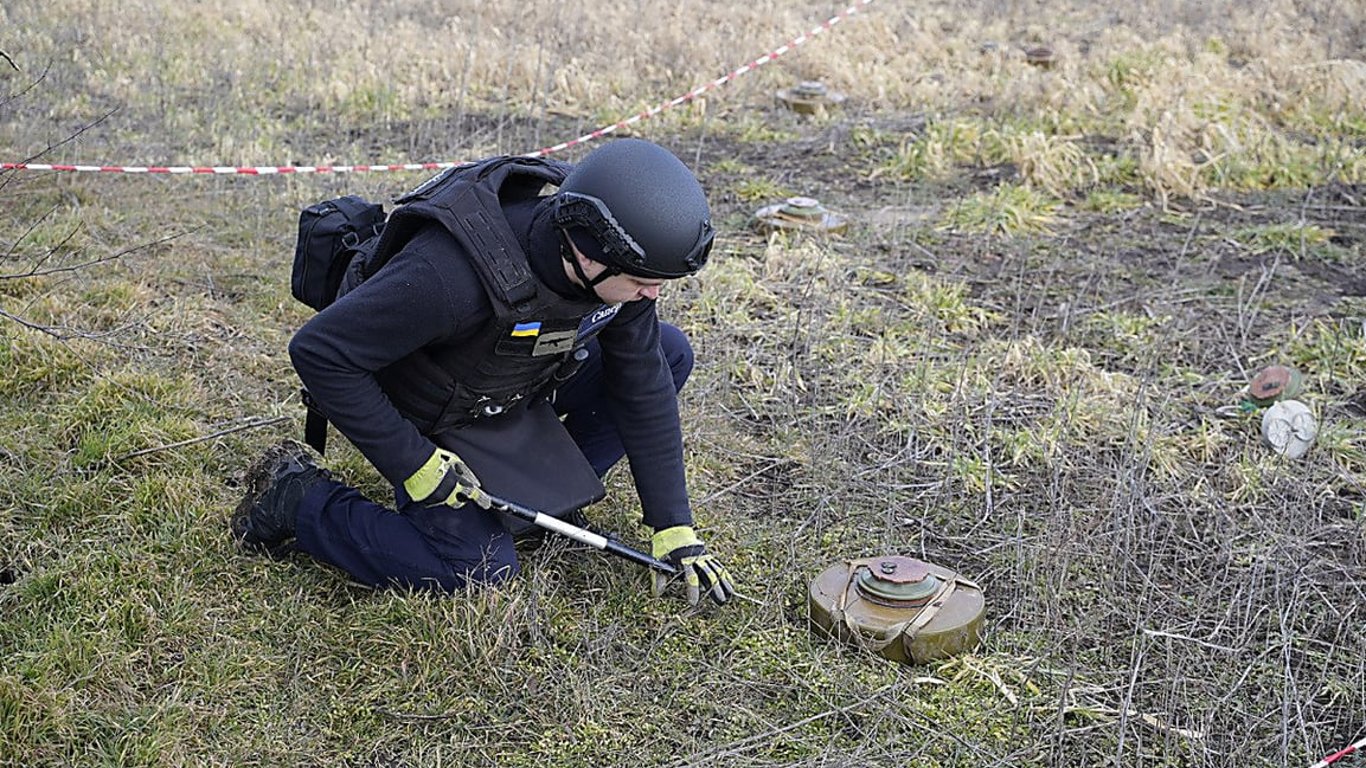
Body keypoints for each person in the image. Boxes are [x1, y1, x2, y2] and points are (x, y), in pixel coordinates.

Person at [230, 138, 734, 606]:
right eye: (642, 282)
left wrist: (674, 525)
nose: (653, 295)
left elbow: (642, 379)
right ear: (586, 252)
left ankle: (539, 506)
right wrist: (415, 464)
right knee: (478, 569)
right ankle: (297, 498)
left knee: (668, 352)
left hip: (508, 378)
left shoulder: (612, 260)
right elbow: (320, 352)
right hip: (427, 401)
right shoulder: (448, 278)